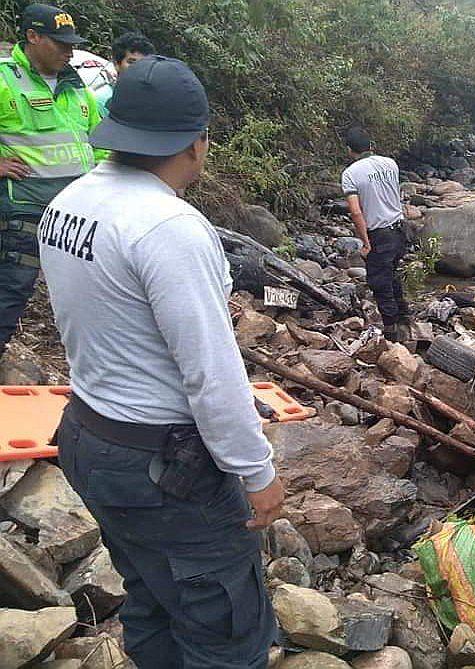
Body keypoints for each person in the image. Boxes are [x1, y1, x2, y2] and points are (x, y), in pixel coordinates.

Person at [42, 56, 282, 668]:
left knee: (152, 596)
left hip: (89, 437)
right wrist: (256, 472)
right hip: (163, 467)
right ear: (198, 144)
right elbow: (210, 372)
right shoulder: (168, 226)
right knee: (226, 631)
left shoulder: (67, 202)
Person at [0, 3, 103, 358]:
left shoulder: (76, 86)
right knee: (10, 291)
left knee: (93, 296)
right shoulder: (4, 79)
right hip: (24, 209)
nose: (69, 50)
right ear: (32, 36)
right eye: (60, 43)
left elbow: (101, 143)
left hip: (76, 216)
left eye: (71, 43)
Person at [341, 127, 409, 341]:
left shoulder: (351, 173)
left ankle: (392, 333)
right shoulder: (390, 163)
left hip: (379, 233)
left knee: (380, 282)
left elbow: (355, 211)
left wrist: (365, 242)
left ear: (350, 150)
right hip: (400, 229)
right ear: (371, 146)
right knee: (393, 274)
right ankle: (404, 319)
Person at [94, 31, 156, 118]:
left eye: (144, 63)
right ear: (116, 64)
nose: (138, 67)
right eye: (131, 62)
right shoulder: (102, 100)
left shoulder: (155, 99)